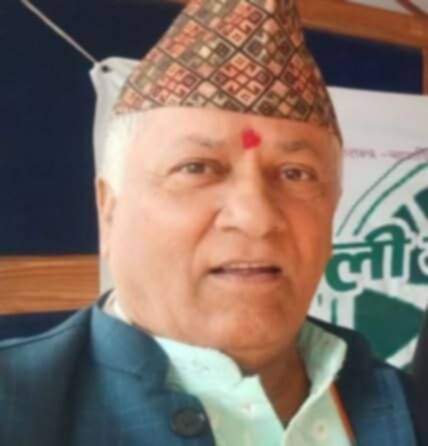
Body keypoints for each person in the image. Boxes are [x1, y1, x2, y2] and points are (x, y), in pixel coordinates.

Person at [0, 0, 424, 444]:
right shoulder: (19, 407)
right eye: (197, 168)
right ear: (109, 211)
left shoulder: (400, 402)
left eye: (295, 174)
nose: (257, 218)